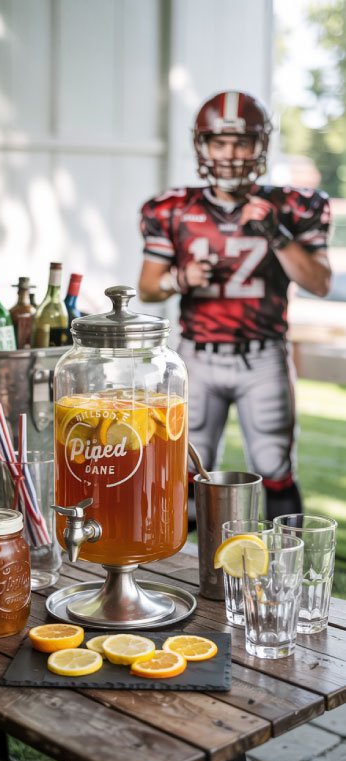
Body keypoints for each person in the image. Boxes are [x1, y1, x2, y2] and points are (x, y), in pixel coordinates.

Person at [138, 90, 332, 520]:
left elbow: (319, 283)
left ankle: (291, 570)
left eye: (241, 142)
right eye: (219, 142)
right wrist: (180, 278)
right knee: (188, 464)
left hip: (262, 354)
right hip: (197, 355)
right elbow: (148, 287)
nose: (229, 154)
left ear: (259, 145)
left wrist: (276, 233)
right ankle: (184, 567)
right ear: (202, 145)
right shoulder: (171, 208)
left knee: (273, 462)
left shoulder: (292, 206)